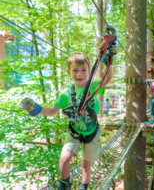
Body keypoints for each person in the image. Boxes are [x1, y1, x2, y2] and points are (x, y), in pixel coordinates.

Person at [19, 49, 115, 189]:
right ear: (69, 73)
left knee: (86, 164)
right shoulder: (65, 94)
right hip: (74, 132)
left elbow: (108, 78)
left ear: (89, 72)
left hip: (92, 132)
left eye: (83, 70)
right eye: (75, 70)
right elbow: (52, 111)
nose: (79, 74)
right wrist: (35, 108)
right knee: (64, 158)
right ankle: (65, 184)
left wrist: (109, 62)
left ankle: (84, 187)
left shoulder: (93, 86)